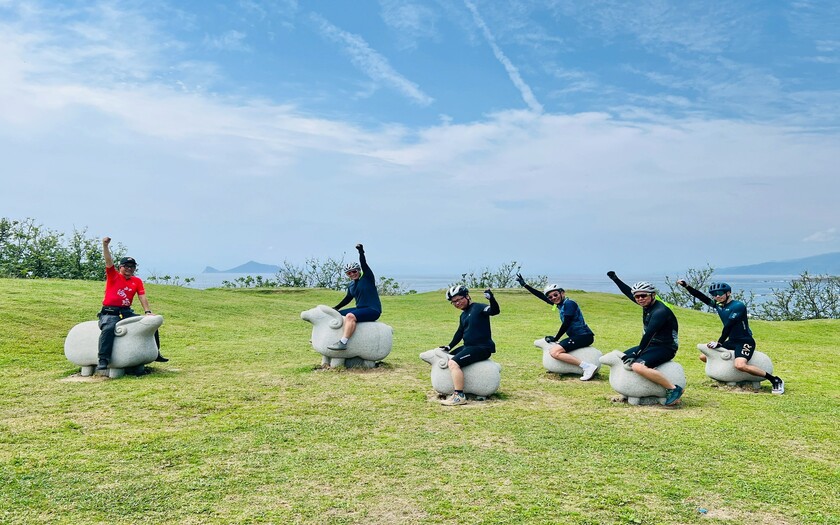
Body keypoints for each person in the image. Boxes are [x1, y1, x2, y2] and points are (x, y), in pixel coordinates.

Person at [677, 280, 784, 394]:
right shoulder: (718, 305)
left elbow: (729, 326)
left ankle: (775, 380)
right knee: (704, 357)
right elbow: (701, 297)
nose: (717, 296)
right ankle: (727, 376)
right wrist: (687, 286)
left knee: (740, 365)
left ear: (728, 293)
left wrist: (719, 342)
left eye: (720, 293)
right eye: (714, 294)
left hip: (744, 341)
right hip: (732, 340)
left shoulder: (738, 306)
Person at [607, 271, 683, 406]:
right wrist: (615, 279)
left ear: (652, 295)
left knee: (637, 366)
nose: (640, 299)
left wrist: (637, 353)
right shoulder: (647, 304)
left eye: (643, 295)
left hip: (666, 347)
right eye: (637, 296)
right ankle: (628, 391)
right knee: (621, 357)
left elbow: (649, 335)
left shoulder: (660, 311)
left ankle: (673, 389)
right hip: (652, 344)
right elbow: (628, 292)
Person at [97, 237, 167, 370]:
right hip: (110, 312)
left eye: (132, 266)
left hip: (126, 311)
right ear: (120, 267)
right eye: (126, 266)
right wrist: (105, 245)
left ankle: (156, 352)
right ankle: (103, 359)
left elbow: (142, 296)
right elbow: (108, 260)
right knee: (109, 328)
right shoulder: (114, 276)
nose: (129, 269)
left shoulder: (137, 281)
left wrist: (148, 312)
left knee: (151, 322)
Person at [516, 273, 598, 380]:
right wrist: (525, 285)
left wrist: (556, 338)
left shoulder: (569, 304)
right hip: (576, 336)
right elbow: (541, 296)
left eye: (555, 295)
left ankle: (587, 367)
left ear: (562, 293)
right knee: (557, 347)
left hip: (583, 336)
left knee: (554, 352)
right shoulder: (560, 305)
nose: (553, 298)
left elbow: (566, 323)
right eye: (550, 297)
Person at [438, 285, 500, 406]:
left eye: (459, 299)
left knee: (453, 363)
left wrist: (491, 299)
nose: (457, 303)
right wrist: (449, 347)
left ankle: (459, 396)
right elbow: (460, 332)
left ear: (467, 296)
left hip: (481, 348)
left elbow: (494, 311)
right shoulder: (463, 315)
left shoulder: (479, 308)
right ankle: (451, 388)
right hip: (469, 346)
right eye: (453, 302)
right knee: (448, 357)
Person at [328, 244, 382, 350]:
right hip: (360, 309)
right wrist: (336, 308)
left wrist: (361, 251)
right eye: (349, 273)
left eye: (354, 271)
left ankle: (343, 342)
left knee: (350, 316)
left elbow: (363, 263)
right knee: (335, 315)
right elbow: (348, 298)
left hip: (372, 310)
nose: (352, 274)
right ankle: (328, 337)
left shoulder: (367, 278)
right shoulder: (351, 285)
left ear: (359, 270)